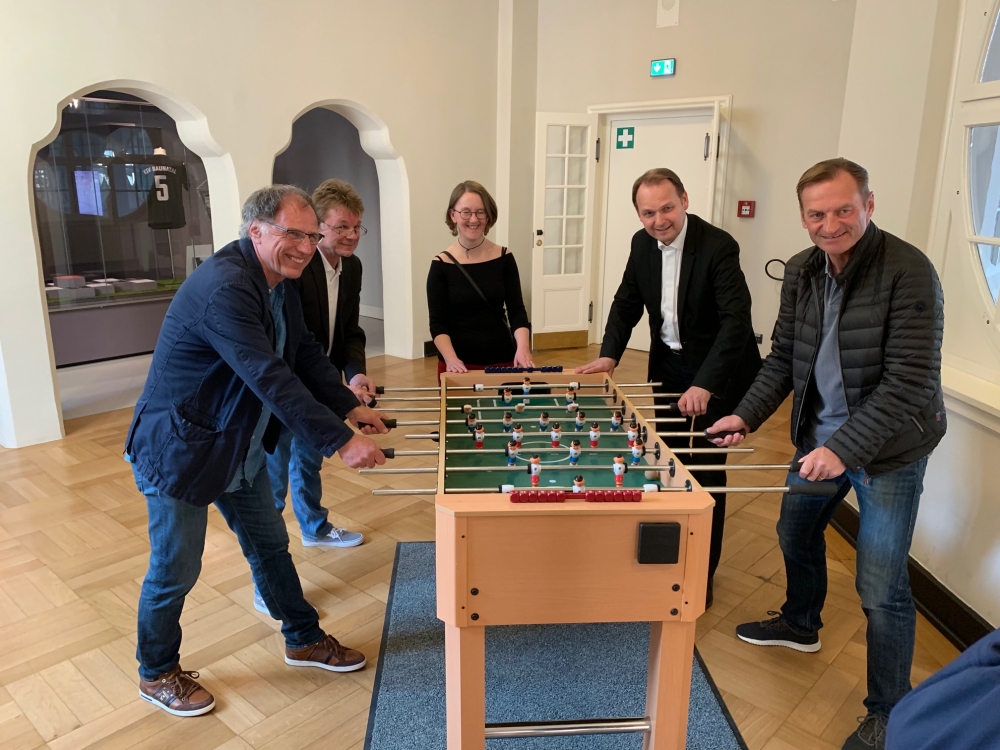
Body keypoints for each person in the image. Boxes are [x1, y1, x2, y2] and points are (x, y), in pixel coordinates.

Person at [125, 185, 388, 718]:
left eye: (311, 236)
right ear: (257, 231)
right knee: (175, 570)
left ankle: (303, 638)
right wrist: (340, 440)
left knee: (270, 547)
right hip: (180, 448)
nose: (306, 247)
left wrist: (348, 406)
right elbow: (268, 376)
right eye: (294, 234)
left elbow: (303, 353)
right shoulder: (226, 285)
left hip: (234, 444)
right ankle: (156, 672)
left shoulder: (277, 280)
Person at [708, 159, 946, 750]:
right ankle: (800, 623)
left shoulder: (910, 270)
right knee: (794, 533)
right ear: (803, 217)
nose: (831, 224)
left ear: (869, 204)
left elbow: (911, 381)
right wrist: (746, 414)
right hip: (820, 437)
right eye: (817, 213)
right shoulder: (802, 269)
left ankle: (889, 713)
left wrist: (843, 449)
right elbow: (784, 356)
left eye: (844, 209)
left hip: (889, 451)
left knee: (880, 586)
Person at [576, 168, 760, 608]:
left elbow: (736, 323)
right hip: (669, 368)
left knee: (706, 473)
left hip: (716, 370)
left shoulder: (718, 246)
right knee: (670, 464)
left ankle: (700, 578)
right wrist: (609, 355)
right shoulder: (641, 244)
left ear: (684, 201)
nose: (659, 220)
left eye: (667, 208)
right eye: (648, 212)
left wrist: (705, 384)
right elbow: (626, 303)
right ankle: (670, 566)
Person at [265, 179, 373, 556]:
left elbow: (350, 330)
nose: (352, 235)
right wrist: (340, 393)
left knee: (309, 460)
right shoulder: (297, 267)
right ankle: (269, 555)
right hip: (285, 384)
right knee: (273, 474)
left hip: (322, 380)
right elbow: (295, 343)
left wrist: (355, 373)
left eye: (357, 227)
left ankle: (313, 527)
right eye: (342, 226)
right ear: (318, 227)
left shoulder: (352, 267)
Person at [427, 180, 533, 377]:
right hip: (458, 365)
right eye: (466, 212)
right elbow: (437, 323)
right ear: (453, 215)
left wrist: (523, 348)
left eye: (480, 212)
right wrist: (451, 359)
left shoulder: (504, 257)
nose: (473, 219)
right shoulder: (440, 265)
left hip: (503, 359)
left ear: (488, 215)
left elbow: (517, 310)